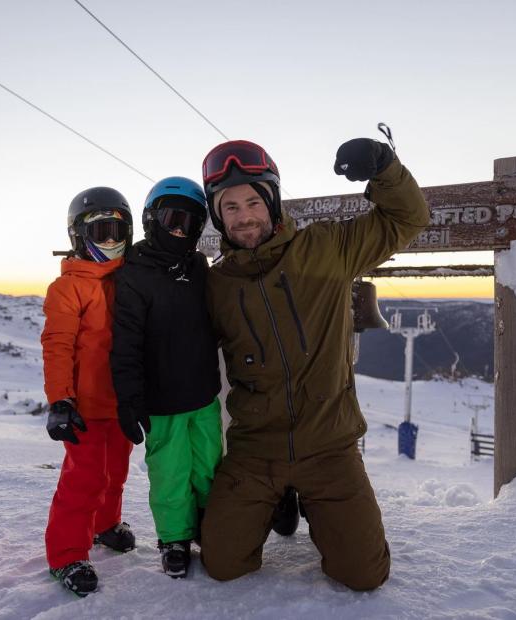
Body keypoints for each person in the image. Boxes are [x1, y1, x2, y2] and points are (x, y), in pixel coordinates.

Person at [199, 137, 429, 590]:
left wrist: (385, 168)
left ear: (272, 201)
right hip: (254, 450)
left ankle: (312, 501)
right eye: (230, 208)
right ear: (218, 216)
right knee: (224, 564)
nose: (244, 216)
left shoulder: (326, 249)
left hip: (329, 446)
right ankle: (278, 499)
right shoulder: (216, 285)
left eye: (252, 201)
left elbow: (407, 217)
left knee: (363, 575)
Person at [110, 177, 222, 579]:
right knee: (171, 474)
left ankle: (211, 528)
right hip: (163, 403)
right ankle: (174, 537)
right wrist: (130, 400)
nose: (179, 230)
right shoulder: (135, 274)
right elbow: (125, 345)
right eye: (172, 219)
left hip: (204, 397)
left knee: (210, 468)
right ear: (151, 219)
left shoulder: (197, 266)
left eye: (191, 223)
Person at [42, 187, 136, 597]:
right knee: (85, 479)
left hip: (122, 402)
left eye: (118, 230)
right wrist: (61, 400)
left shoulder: (129, 279)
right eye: (101, 231)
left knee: (116, 472)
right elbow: (57, 345)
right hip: (85, 405)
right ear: (79, 237)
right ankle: (66, 554)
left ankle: (105, 526)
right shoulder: (69, 288)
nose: (111, 240)